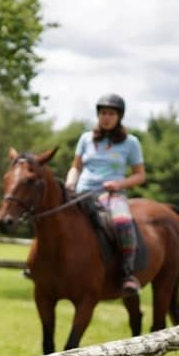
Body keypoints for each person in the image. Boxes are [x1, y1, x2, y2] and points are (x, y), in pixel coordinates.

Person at [65, 93, 146, 296]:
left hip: (111, 194)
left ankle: (127, 273)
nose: (106, 117)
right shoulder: (86, 139)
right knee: (54, 218)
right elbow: (75, 167)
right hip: (82, 192)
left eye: (111, 113)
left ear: (119, 117)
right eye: (103, 113)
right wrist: (70, 183)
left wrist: (119, 183)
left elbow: (139, 176)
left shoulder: (131, 142)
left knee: (122, 222)